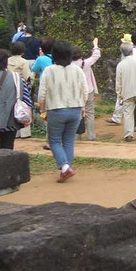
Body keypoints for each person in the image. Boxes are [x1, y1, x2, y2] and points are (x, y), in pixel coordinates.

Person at [37, 40, 87, 182]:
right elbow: (85, 91)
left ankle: (65, 168)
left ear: (54, 54)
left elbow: (42, 94)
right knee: (69, 141)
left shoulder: (49, 71)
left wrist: (42, 109)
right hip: (75, 110)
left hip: (56, 110)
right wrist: (82, 106)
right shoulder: (78, 70)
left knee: (54, 141)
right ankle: (66, 169)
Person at [0, 48, 32, 149]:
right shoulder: (17, 78)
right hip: (11, 123)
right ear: (6, 62)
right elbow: (27, 101)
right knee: (7, 153)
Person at [71, 39, 101, 141]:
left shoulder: (69, 66)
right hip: (88, 91)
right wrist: (95, 45)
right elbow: (96, 55)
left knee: (76, 114)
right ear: (80, 54)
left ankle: (76, 136)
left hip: (75, 93)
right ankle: (91, 136)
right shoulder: (86, 63)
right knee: (90, 113)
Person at [8, 41, 34, 139]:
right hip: (21, 86)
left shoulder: (7, 60)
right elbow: (27, 76)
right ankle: (25, 132)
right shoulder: (23, 61)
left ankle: (14, 132)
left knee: (12, 108)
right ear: (23, 51)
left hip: (9, 87)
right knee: (24, 107)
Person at [106, 33, 133, 125]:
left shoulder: (130, 51)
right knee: (122, 99)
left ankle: (119, 118)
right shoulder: (129, 51)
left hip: (127, 78)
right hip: (128, 77)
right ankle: (117, 117)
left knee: (123, 98)